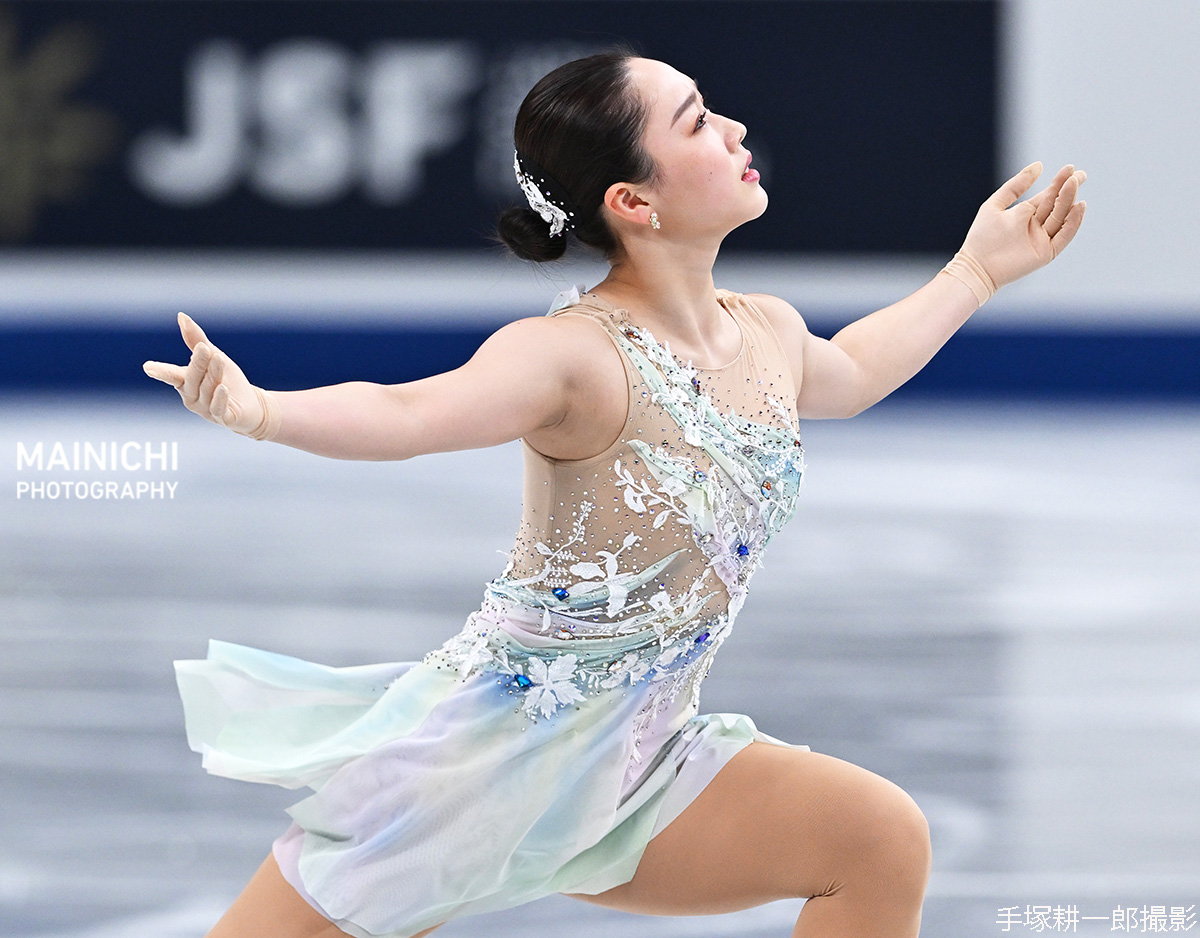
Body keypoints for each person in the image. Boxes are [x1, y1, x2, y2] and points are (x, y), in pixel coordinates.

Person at [143, 52, 1086, 938]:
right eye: (698, 123)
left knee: (875, 839)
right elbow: (410, 411)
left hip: (642, 761)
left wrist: (976, 271)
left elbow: (855, 371)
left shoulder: (767, 332)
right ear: (634, 200)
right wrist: (261, 411)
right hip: (479, 765)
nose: (734, 129)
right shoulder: (573, 355)